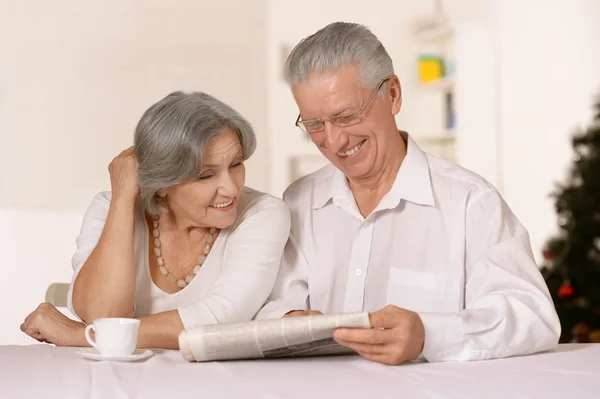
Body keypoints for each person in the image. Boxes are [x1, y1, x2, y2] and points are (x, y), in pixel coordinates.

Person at [257, 22, 561, 365]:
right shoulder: (299, 202)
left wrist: (428, 336)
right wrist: (286, 322)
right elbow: (265, 303)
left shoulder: (469, 202)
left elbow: (532, 316)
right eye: (314, 124)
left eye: (347, 116)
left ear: (393, 95)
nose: (334, 141)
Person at [21, 91, 290, 349]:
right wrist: (123, 198)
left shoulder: (262, 214)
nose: (231, 189)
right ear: (162, 182)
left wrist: (79, 335)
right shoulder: (110, 207)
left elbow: (221, 320)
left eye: (236, 164)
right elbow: (102, 315)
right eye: (206, 175)